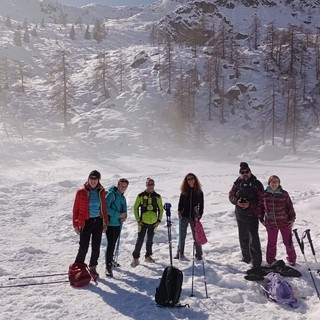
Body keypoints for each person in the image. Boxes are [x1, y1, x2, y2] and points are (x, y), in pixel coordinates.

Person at [73, 170, 108, 278]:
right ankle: (78, 266)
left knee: (96, 247)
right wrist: (75, 224)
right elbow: (75, 209)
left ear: (98, 180)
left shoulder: (101, 192)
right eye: (91, 179)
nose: (93, 181)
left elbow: (104, 208)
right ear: (88, 179)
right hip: (85, 223)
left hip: (98, 222)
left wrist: (105, 222)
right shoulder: (81, 192)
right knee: (83, 246)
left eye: (95, 179)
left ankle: (93, 266)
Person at [228, 162, 264, 270]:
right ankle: (246, 258)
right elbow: (231, 196)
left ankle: (256, 262)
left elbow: (262, 200)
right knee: (243, 237)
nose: (245, 174)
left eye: (246, 172)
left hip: (252, 215)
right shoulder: (237, 183)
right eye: (242, 172)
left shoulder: (257, 184)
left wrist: (250, 204)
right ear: (240, 173)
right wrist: (236, 202)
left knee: (254, 239)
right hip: (240, 215)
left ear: (250, 172)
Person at [261, 175, 297, 266]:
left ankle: (292, 259)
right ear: (269, 183)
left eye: (276, 181)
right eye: (272, 181)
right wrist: (262, 219)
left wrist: (292, 219)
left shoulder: (284, 194)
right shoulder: (264, 194)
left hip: (284, 222)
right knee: (271, 243)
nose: (274, 183)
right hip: (271, 223)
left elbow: (290, 207)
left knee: (288, 242)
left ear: (279, 183)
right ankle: (270, 260)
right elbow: (260, 208)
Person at [131, 177, 163, 266]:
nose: (150, 186)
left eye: (152, 184)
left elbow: (161, 209)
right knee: (140, 240)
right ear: (146, 185)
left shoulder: (157, 196)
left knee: (150, 240)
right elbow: (135, 208)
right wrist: (138, 220)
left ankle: (148, 256)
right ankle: (135, 258)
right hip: (142, 223)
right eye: (149, 184)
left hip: (153, 223)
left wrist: (159, 220)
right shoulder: (141, 195)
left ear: (154, 185)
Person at [174, 173, 204, 260]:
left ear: (195, 179)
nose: (190, 180)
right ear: (186, 181)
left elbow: (201, 205)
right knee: (182, 236)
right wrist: (179, 212)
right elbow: (180, 203)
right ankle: (180, 253)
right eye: (188, 179)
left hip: (194, 217)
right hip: (184, 216)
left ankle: (198, 254)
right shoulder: (184, 192)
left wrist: (199, 215)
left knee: (196, 236)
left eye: (192, 178)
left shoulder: (199, 192)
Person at [105, 178, 129, 277]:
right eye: (122, 186)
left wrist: (124, 217)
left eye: (125, 187)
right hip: (110, 223)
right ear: (118, 185)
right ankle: (108, 266)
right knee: (111, 244)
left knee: (113, 243)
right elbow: (106, 208)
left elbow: (125, 209)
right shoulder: (111, 194)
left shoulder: (122, 197)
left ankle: (110, 260)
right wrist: (118, 215)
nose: (123, 188)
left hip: (118, 224)